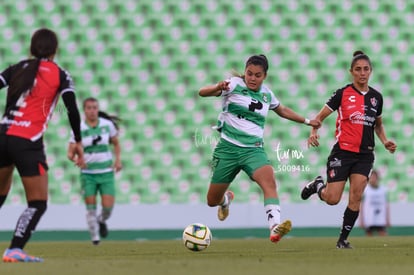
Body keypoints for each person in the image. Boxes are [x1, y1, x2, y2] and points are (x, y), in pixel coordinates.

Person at [198, 54, 320, 243]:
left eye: (257, 75)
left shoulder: (267, 94)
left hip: (253, 150)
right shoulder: (233, 85)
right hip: (227, 149)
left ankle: (275, 227)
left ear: (265, 76)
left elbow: (283, 110)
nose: (253, 78)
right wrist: (216, 87)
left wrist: (306, 121)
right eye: (249, 74)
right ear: (245, 72)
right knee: (212, 200)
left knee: (269, 182)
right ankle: (226, 200)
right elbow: (202, 92)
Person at [0, 28, 84, 262]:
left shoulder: (17, 68)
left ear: (31, 48)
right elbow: (72, 109)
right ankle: (15, 249)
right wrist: (77, 140)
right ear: (55, 51)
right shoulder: (60, 74)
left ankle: (15, 249)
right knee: (37, 202)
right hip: (26, 141)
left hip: (2, 135)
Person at [301, 50, 397, 248]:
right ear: (351, 71)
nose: (362, 73)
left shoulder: (376, 97)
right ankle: (318, 185)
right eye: (358, 69)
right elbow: (319, 117)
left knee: (356, 196)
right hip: (343, 152)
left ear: (371, 71)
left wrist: (385, 141)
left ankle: (342, 240)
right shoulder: (342, 93)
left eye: (366, 69)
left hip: (365, 155)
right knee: (332, 198)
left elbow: (377, 125)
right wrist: (313, 131)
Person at [67, 97, 122, 245]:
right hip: (88, 175)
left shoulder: (107, 125)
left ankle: (101, 220)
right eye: (89, 108)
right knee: (90, 208)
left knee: (108, 208)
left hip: (106, 172)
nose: (92, 111)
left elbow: (116, 143)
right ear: (84, 110)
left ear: (98, 109)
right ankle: (95, 238)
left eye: (94, 108)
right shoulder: (78, 128)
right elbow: (70, 153)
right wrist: (76, 160)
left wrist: (118, 160)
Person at [360, 169, 390, 236]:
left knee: (383, 234)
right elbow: (361, 205)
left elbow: (386, 205)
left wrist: (388, 219)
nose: (373, 179)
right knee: (369, 235)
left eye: (374, 177)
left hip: (380, 218)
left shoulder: (384, 190)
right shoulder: (365, 190)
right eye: (371, 177)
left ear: (378, 178)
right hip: (369, 218)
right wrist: (361, 220)